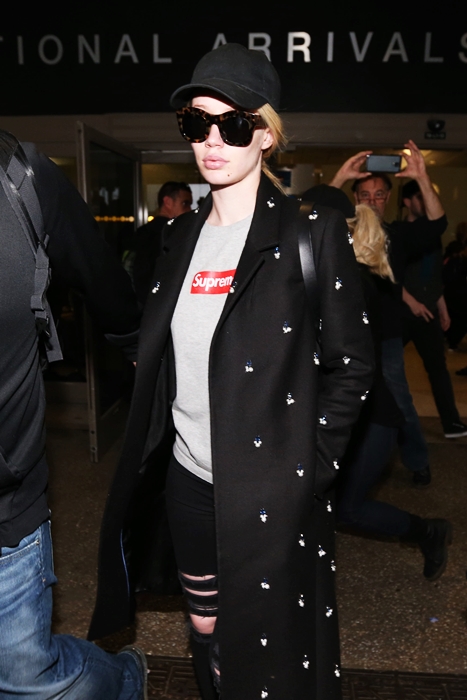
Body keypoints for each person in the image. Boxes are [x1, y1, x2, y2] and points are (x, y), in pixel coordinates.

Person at [89, 42, 375, 700]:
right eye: (196, 123)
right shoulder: (179, 234)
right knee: (204, 625)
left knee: (265, 652)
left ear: (266, 135)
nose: (211, 140)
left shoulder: (312, 232)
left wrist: (307, 469)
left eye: (234, 124)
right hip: (189, 479)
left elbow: (353, 366)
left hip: (272, 490)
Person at [0, 136, 147, 699]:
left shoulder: (20, 177)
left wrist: (139, 346)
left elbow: (100, 276)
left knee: (26, 680)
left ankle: (125, 678)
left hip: (5, 510)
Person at [303, 189, 452, 581]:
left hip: (370, 418)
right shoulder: (325, 276)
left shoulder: (351, 283)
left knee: (348, 508)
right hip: (340, 413)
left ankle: (429, 532)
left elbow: (344, 366)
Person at [329, 142, 456, 488]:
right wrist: (340, 176)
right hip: (344, 336)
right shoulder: (338, 231)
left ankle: (417, 461)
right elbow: (311, 211)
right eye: (365, 195)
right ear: (355, 198)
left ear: (388, 198)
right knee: (340, 402)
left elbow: (438, 223)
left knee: (398, 399)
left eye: (379, 195)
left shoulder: (397, 236)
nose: (372, 201)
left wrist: (422, 177)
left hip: (385, 336)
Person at [399, 179, 467, 438]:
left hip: (428, 312)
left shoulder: (433, 235)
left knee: (438, 368)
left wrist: (443, 307)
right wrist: (411, 302)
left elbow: (434, 275)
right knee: (383, 365)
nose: (425, 202)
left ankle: (451, 423)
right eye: (420, 197)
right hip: (401, 312)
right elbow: (389, 275)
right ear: (407, 202)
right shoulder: (399, 233)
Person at [132, 182, 193, 305]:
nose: (189, 209)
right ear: (168, 202)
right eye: (185, 203)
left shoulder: (140, 233)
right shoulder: (174, 235)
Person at [442, 221, 467, 351]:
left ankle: (449, 338)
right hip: (459, 289)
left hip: (451, 289)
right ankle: (452, 340)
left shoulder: (452, 248)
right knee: (459, 317)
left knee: (453, 314)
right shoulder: (457, 250)